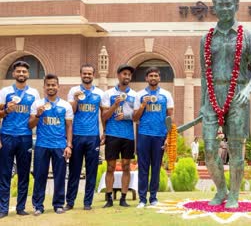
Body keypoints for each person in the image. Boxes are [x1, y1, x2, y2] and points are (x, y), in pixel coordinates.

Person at [199, 0, 251, 208]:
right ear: (214, 8)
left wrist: (248, 90)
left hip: (237, 95)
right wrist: (202, 104)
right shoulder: (206, 39)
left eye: (229, 4)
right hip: (212, 96)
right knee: (209, 149)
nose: (225, 8)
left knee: (236, 148)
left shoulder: (248, 36)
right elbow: (202, 73)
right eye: (221, 4)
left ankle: (234, 194)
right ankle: (221, 190)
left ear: (236, 6)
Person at [0, 61, 40, 218]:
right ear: (13, 73)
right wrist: (5, 110)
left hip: (25, 137)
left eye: (24, 71)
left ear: (28, 74)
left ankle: (21, 207)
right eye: (19, 71)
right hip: (7, 136)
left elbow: (33, 117)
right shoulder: (5, 91)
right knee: (4, 173)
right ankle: (3, 208)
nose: (21, 74)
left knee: (24, 173)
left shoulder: (34, 93)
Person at [29, 74, 73, 215]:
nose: (51, 87)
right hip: (42, 145)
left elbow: (69, 126)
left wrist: (69, 145)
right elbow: (30, 125)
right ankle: (38, 206)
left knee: (60, 176)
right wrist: (38, 115)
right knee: (39, 176)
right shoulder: (37, 104)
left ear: (58, 87)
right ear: (44, 87)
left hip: (59, 145)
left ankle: (58, 204)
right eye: (48, 85)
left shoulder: (65, 105)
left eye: (53, 85)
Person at [64, 64, 104, 211]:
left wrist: (104, 131)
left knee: (91, 171)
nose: (87, 76)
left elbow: (103, 113)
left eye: (89, 73)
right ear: (80, 74)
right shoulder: (73, 91)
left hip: (93, 136)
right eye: (84, 73)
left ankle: (88, 203)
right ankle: (70, 202)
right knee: (74, 171)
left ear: (93, 75)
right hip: (77, 136)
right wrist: (75, 100)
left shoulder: (99, 93)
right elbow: (71, 112)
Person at [133, 67, 174, 208]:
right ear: (146, 78)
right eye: (150, 75)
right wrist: (143, 105)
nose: (153, 77)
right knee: (143, 167)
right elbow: (134, 118)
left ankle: (154, 198)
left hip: (160, 136)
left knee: (156, 167)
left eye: (156, 75)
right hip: (144, 134)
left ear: (159, 78)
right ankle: (142, 199)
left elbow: (169, 117)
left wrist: (168, 137)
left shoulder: (166, 95)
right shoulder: (139, 95)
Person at [101, 64, 137, 208]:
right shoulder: (108, 94)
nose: (126, 76)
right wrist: (114, 106)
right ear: (118, 75)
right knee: (110, 167)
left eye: (129, 74)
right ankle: (109, 198)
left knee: (126, 166)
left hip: (128, 136)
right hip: (112, 134)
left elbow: (137, 116)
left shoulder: (135, 95)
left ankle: (123, 198)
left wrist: (126, 116)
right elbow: (104, 116)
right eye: (124, 74)